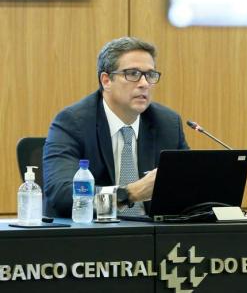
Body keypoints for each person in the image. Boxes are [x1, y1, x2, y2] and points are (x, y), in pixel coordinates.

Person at [43, 36, 189, 217]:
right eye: (133, 74)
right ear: (106, 80)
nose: (144, 84)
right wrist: (129, 193)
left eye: (150, 75)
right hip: (94, 236)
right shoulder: (72, 123)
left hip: (152, 236)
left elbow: (189, 186)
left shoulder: (167, 123)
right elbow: (62, 193)